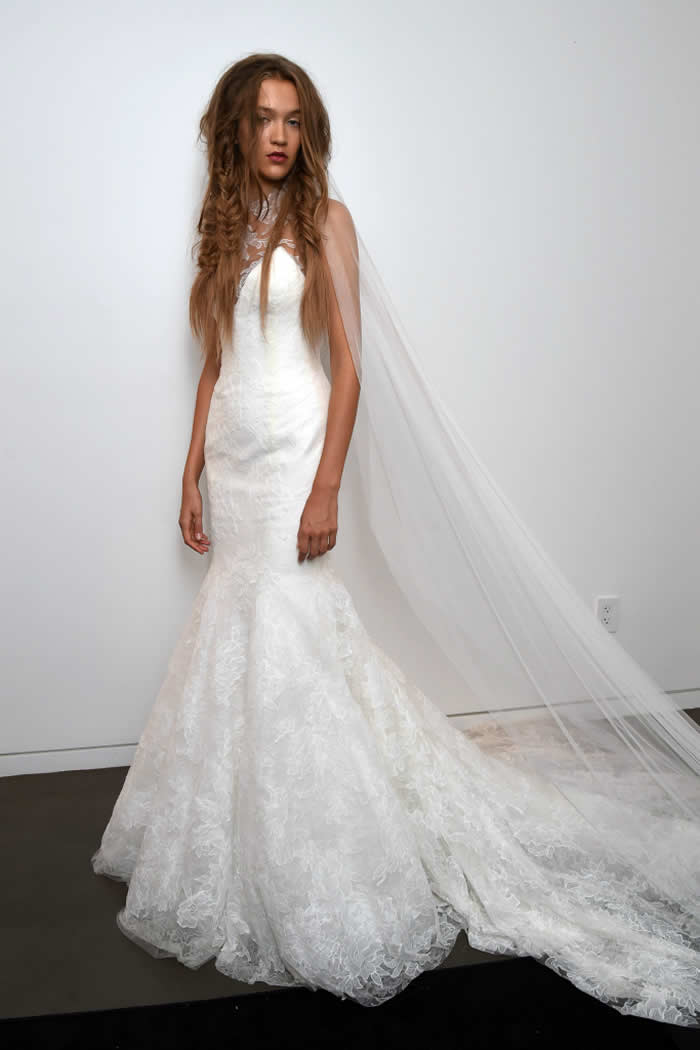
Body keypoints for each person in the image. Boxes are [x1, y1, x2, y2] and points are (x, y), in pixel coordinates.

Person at [91, 54, 700, 1025]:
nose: (280, 134)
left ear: (307, 130)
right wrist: (189, 465)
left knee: (290, 625)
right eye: (263, 118)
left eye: (294, 118)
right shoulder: (223, 228)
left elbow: (351, 366)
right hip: (235, 456)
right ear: (237, 130)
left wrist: (327, 482)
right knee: (238, 625)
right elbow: (215, 360)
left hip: (294, 448)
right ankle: (231, 833)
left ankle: (317, 846)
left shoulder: (325, 221)